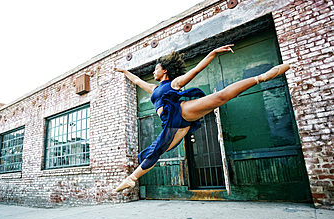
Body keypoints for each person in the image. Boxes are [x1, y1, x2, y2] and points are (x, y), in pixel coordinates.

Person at [114, 44, 290, 192]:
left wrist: (213, 53)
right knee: (156, 150)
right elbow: (136, 81)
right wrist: (124, 70)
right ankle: (132, 179)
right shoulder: (153, 89)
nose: (153, 72)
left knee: (219, 98)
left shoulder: (174, 83)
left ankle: (262, 77)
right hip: (170, 124)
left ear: (165, 70)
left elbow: (197, 69)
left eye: (156, 69)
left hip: (180, 111)